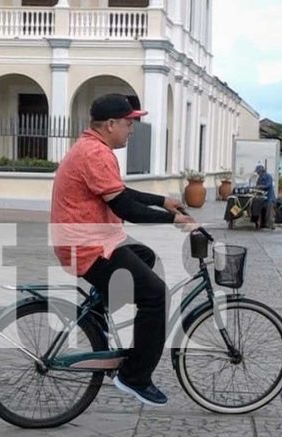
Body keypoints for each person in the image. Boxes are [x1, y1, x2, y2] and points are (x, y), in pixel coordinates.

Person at [50, 93, 195, 406]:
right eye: (129, 123)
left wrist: (161, 201)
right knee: (155, 295)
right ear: (111, 124)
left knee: (145, 257)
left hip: (94, 240)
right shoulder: (96, 154)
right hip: (87, 247)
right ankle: (135, 377)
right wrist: (173, 218)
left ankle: (96, 313)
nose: (132, 129)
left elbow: (118, 191)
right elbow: (126, 208)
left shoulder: (92, 148)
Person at [255, 165, 276, 229]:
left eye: (258, 172)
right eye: (257, 173)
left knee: (269, 212)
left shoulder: (268, 176)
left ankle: (271, 225)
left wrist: (260, 186)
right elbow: (257, 185)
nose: (258, 174)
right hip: (262, 198)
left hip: (269, 197)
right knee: (261, 210)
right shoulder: (259, 178)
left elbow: (268, 185)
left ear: (262, 171)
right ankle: (262, 224)